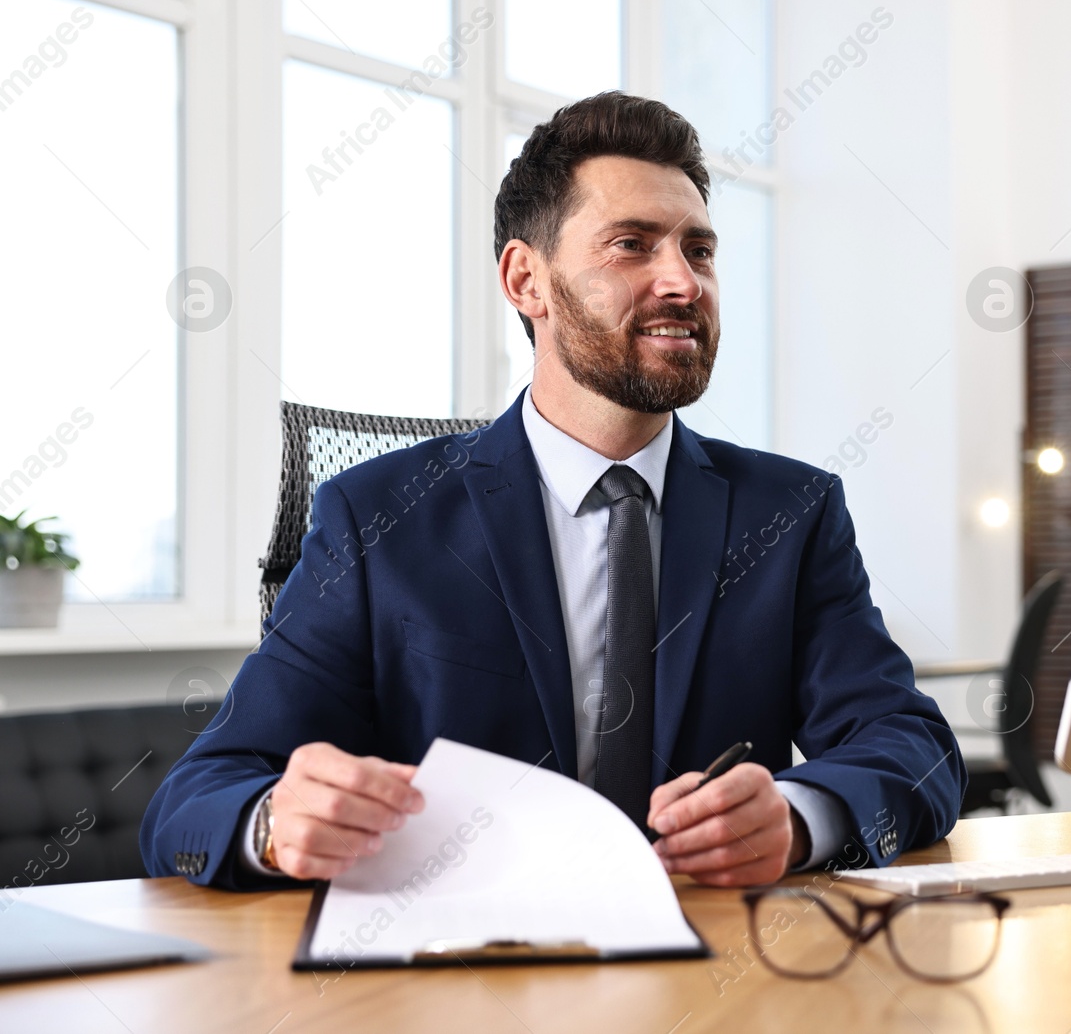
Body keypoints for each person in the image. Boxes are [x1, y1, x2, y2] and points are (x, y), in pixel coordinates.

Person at [140, 91, 964, 890]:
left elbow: (910, 746)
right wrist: (275, 823)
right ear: (525, 280)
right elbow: (195, 800)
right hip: (463, 979)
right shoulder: (375, 518)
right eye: (633, 244)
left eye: (699, 250)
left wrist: (797, 816)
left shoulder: (790, 513)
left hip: (720, 981)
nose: (683, 282)